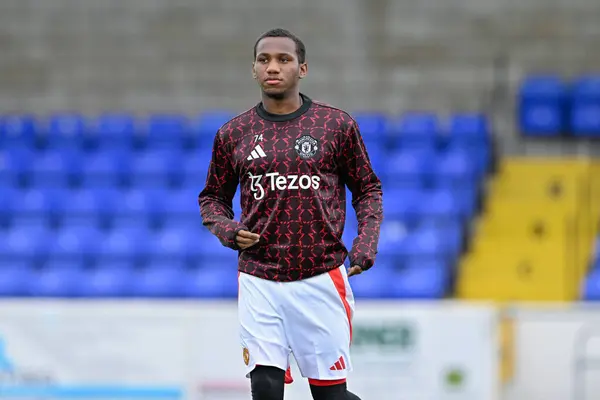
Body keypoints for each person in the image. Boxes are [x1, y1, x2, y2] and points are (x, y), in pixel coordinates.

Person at [198, 28, 383, 400]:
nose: (273, 67)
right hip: (259, 277)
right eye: (264, 59)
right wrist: (228, 231)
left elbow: (367, 189)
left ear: (303, 69)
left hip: (320, 277)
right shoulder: (233, 133)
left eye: (284, 59)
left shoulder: (335, 126)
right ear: (253, 69)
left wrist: (366, 243)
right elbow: (211, 199)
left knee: (330, 396)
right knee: (265, 390)